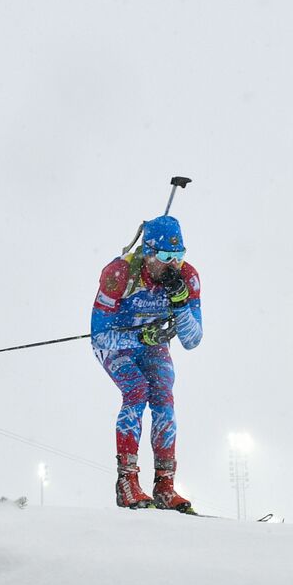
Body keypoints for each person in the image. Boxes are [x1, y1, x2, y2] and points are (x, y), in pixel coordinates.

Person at [90, 214, 203, 511]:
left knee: (164, 397)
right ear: (149, 253)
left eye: (178, 256)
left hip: (153, 345)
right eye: (166, 256)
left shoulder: (187, 277)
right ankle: (127, 481)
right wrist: (142, 338)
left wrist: (180, 305)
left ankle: (165, 486)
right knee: (137, 390)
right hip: (118, 343)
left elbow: (192, 340)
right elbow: (99, 337)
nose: (173, 265)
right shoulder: (120, 273)